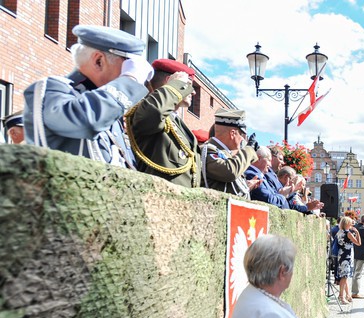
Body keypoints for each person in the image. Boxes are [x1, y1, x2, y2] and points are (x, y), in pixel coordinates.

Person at [23, 24, 152, 167]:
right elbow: (85, 121)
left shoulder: (107, 104)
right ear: (99, 61)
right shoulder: (50, 90)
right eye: (129, 65)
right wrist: (130, 79)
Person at [126, 59, 200, 187]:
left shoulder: (176, 122)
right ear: (170, 82)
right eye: (187, 84)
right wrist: (175, 86)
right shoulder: (146, 110)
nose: (193, 92)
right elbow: (153, 113)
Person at [201, 109, 257, 197]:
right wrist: (249, 150)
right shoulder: (207, 150)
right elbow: (230, 172)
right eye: (241, 134)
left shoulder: (226, 153)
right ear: (232, 134)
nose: (242, 139)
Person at [334, 216, 361, 303]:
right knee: (344, 277)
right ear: (347, 224)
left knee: (344, 276)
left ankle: (348, 295)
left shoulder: (339, 232)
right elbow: (358, 243)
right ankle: (341, 296)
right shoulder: (348, 233)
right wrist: (357, 233)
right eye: (350, 222)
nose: (352, 224)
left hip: (341, 255)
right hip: (347, 257)